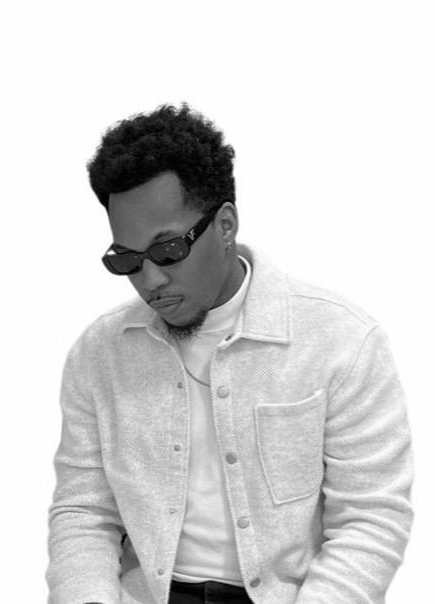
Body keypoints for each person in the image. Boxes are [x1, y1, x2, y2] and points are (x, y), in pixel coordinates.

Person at [46, 104, 414, 604]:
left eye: (168, 250)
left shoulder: (341, 342)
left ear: (224, 225)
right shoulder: (100, 354)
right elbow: (83, 513)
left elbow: (371, 517)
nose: (150, 280)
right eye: (128, 260)